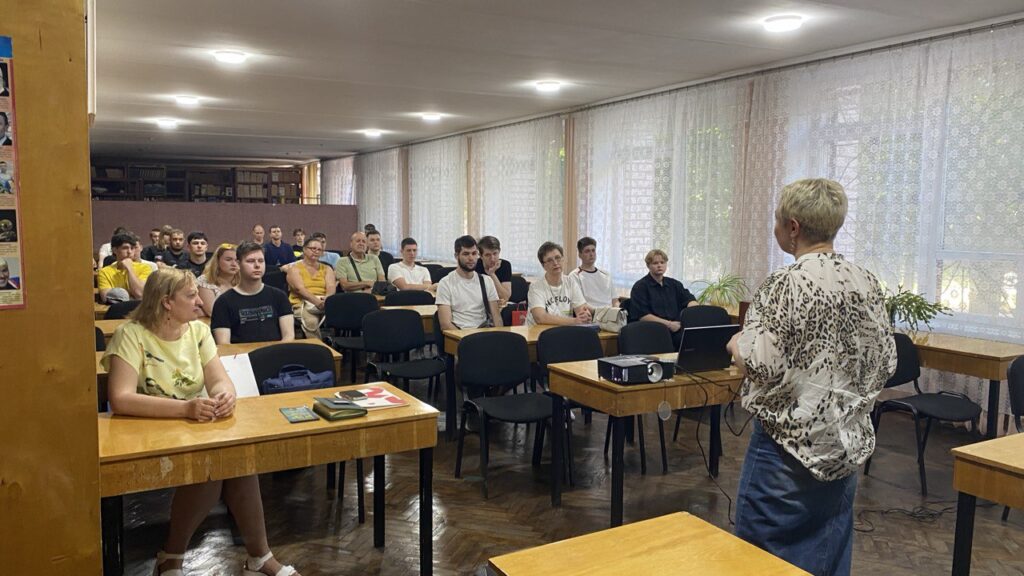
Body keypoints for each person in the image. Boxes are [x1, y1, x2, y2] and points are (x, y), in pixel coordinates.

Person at [725, 179, 897, 576]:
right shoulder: (866, 282)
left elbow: (762, 365)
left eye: (777, 220)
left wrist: (737, 345)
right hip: (845, 444)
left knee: (762, 562)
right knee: (827, 556)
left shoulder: (784, 283)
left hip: (786, 453)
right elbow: (887, 361)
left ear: (793, 227)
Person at [102, 268, 301, 576]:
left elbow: (219, 379)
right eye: (191, 295)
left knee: (239, 460)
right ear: (167, 302)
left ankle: (257, 556)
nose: (199, 302)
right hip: (149, 427)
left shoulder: (197, 331)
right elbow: (121, 398)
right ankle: (175, 555)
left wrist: (225, 395)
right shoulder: (131, 335)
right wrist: (185, 409)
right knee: (212, 466)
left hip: (194, 421)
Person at [211, 242, 294, 344]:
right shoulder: (223, 302)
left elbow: (289, 337)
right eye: (250, 261)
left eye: (261, 261)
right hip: (241, 353)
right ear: (238, 264)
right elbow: (224, 345)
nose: (257, 265)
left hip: (275, 352)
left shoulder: (279, 296)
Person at [629, 249, 697, 348]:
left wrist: (694, 310)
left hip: (676, 328)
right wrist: (669, 324)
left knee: (696, 339)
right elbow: (643, 316)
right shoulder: (640, 287)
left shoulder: (674, 284)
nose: (659, 265)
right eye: (655, 263)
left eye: (662, 262)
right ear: (648, 266)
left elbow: (690, 299)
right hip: (653, 331)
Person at [437, 235, 503, 330]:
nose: (471, 258)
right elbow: (445, 324)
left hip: (483, 331)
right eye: (466, 254)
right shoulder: (446, 283)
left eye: (474, 253)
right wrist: (466, 338)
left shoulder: (486, 281)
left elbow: (497, 318)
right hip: (459, 333)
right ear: (456, 256)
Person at [526, 242, 592, 326]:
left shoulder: (571, 282)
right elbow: (540, 317)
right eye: (550, 260)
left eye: (558, 258)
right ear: (543, 265)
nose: (555, 263)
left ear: (563, 259)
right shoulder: (535, 287)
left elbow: (582, 310)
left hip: (565, 330)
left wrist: (585, 316)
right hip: (539, 332)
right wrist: (574, 321)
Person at [287, 237, 337, 339]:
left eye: (319, 249)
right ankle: (319, 346)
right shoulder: (294, 269)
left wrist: (327, 299)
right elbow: (299, 289)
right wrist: (317, 302)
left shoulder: (327, 268)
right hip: (302, 303)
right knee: (311, 321)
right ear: (304, 249)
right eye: (313, 248)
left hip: (324, 302)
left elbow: (331, 286)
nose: (316, 251)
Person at [97, 232, 153, 302]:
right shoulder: (104, 272)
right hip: (117, 308)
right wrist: (132, 297)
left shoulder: (145, 268)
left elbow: (139, 294)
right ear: (114, 250)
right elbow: (106, 298)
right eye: (125, 248)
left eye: (132, 248)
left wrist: (130, 269)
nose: (129, 252)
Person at [568, 237, 618, 308]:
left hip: (611, 313)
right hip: (590, 313)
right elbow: (580, 304)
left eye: (593, 250)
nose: (591, 254)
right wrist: (600, 313)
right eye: (587, 251)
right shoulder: (574, 276)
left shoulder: (606, 274)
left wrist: (618, 312)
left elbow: (615, 301)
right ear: (580, 255)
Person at [197, 243, 239, 317]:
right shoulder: (205, 280)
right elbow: (213, 312)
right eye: (228, 260)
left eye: (237, 260)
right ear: (217, 261)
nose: (234, 264)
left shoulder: (245, 281)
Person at [474, 235, 512, 304]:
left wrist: (492, 274)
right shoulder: (474, 266)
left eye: (495, 253)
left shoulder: (505, 265)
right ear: (481, 256)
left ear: (499, 251)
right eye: (487, 255)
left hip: (499, 305)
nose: (492, 258)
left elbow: (505, 297)